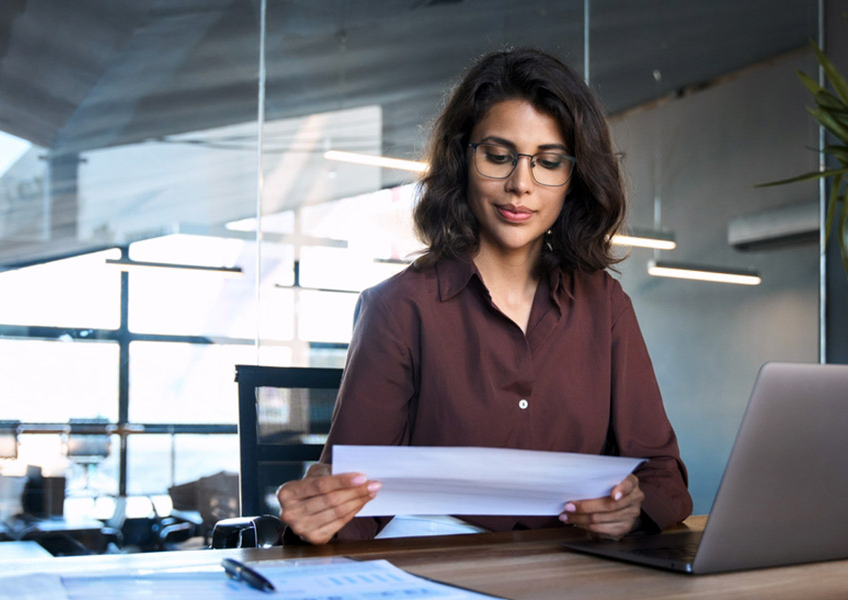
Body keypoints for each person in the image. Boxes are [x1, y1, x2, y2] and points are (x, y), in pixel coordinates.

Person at [277, 48, 692, 545]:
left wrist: (632, 508)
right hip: (436, 562)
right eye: (498, 156)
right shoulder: (398, 308)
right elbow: (351, 501)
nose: (521, 185)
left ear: (572, 179)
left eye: (549, 162)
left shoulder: (605, 306)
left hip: (575, 569)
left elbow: (662, 475)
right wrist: (318, 514)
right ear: (462, 160)